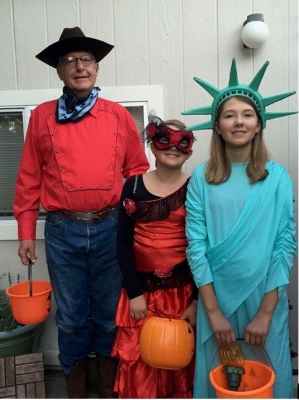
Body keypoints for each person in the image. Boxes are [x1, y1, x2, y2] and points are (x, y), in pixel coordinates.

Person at [13, 26, 149, 398]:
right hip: (62, 230)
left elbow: (136, 171)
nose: (79, 66)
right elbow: (28, 177)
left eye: (86, 59)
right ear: (58, 71)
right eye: (69, 60)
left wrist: (141, 225)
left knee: (108, 313)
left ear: (97, 68)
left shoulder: (118, 116)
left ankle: (107, 382)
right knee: (71, 317)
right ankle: (74, 381)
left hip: (111, 228)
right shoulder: (41, 117)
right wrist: (26, 229)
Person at [182, 58, 297, 398]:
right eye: (229, 115)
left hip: (265, 297)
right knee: (225, 378)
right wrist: (213, 312)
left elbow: (284, 245)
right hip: (215, 298)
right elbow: (196, 245)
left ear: (260, 124)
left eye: (247, 115)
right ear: (217, 125)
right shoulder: (202, 178)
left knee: (266, 379)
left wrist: (265, 312)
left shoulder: (277, 177)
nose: (238, 122)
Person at [111, 116, 198, 398]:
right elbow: (123, 243)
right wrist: (133, 292)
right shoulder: (134, 186)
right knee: (141, 357)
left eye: (181, 142)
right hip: (141, 294)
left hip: (181, 293)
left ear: (189, 148)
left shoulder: (197, 187)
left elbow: (202, 245)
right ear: (153, 146)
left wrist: (196, 299)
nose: (172, 148)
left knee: (178, 355)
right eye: (165, 140)